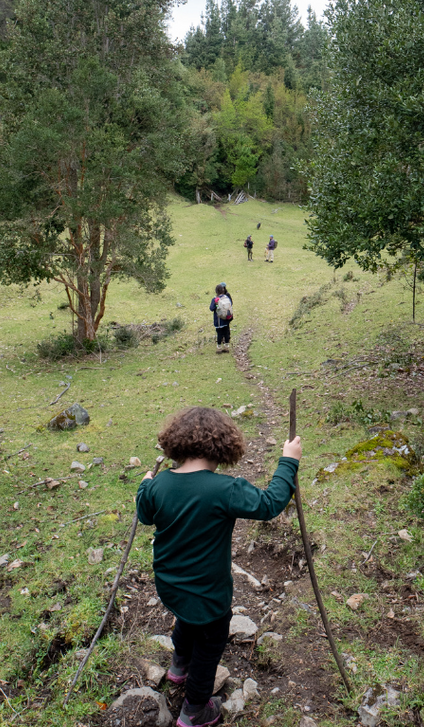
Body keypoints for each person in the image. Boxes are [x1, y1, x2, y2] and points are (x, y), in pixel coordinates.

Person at [137, 408, 302, 727]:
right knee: (209, 647)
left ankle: (176, 668)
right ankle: (195, 711)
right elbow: (270, 504)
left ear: (177, 444)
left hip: (170, 585)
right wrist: (289, 460)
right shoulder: (225, 489)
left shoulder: (159, 486)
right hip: (209, 594)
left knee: (186, 618)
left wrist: (145, 484)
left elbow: (145, 512)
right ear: (223, 448)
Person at [209, 284, 232, 353]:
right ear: (223, 290)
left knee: (219, 334)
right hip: (226, 318)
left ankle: (219, 348)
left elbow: (211, 308)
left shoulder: (215, 299)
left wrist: (216, 304)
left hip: (218, 320)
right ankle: (226, 347)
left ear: (216, 291)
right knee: (226, 333)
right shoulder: (226, 297)